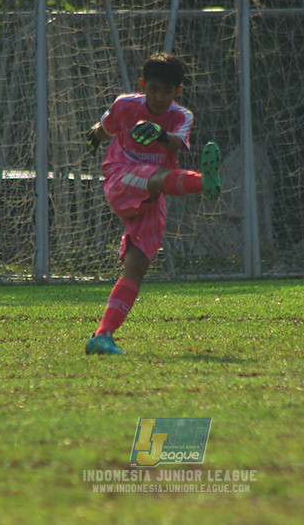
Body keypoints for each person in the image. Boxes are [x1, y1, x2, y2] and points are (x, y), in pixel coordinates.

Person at [84, 52, 221, 355]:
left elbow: (177, 142)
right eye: (154, 89)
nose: (159, 97)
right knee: (158, 176)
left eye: (167, 91)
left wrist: (161, 134)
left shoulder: (180, 115)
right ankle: (204, 182)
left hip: (153, 193)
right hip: (120, 176)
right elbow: (106, 128)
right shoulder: (125, 105)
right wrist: (94, 137)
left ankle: (102, 336)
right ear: (143, 85)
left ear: (178, 92)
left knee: (138, 264)